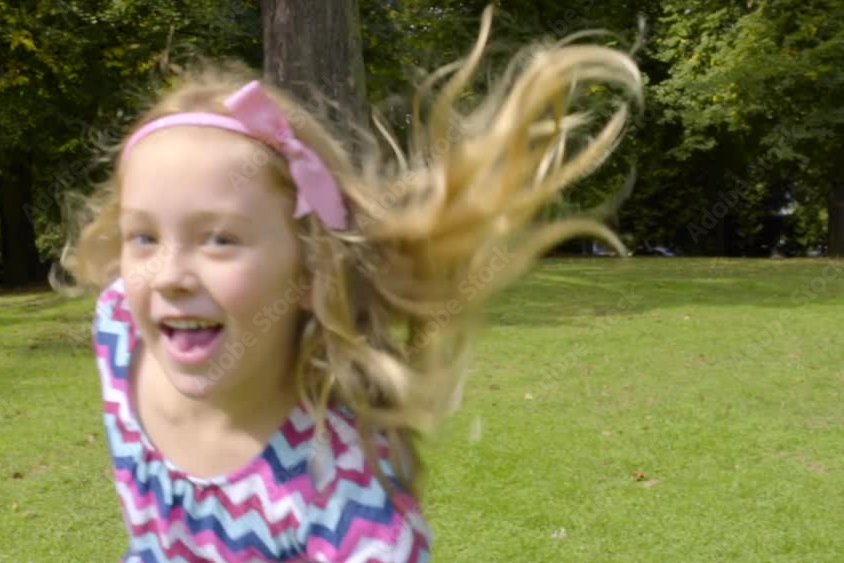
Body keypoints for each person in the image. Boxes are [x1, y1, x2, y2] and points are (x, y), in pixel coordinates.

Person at [56, 5, 642, 562]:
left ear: (311, 269)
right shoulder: (119, 329)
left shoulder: (343, 490)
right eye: (144, 237)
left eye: (220, 239)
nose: (169, 276)